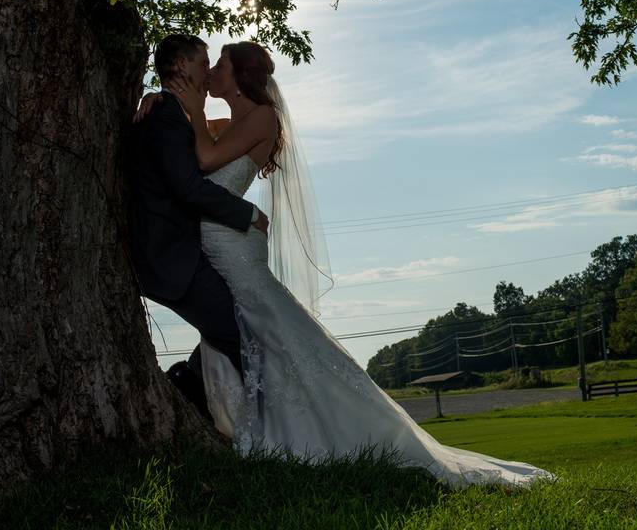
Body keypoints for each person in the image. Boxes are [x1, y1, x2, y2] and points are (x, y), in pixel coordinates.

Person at [133, 40, 554, 488]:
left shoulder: (260, 117)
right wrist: (163, 99)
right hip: (214, 243)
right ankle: (238, 415)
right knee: (254, 332)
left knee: (260, 332)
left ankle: (283, 429)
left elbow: (202, 158)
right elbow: (188, 143)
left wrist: (192, 109)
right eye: (207, 63)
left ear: (240, 77)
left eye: (220, 64)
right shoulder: (221, 119)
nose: (212, 70)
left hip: (234, 244)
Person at [126, 34, 269, 419]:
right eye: (204, 62)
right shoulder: (165, 117)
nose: (208, 71)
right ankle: (259, 428)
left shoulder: (176, 115)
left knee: (238, 330)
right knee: (243, 335)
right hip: (173, 257)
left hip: (190, 251)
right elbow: (190, 187)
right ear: (183, 65)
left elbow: (212, 142)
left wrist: (169, 101)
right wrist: (249, 214)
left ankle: (202, 399)